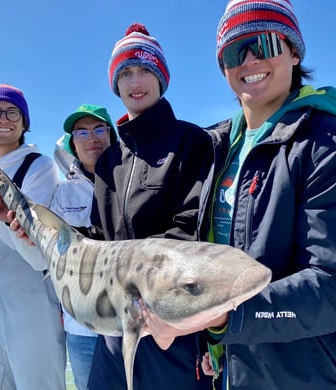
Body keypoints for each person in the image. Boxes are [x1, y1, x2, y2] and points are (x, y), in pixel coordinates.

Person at [141, 1, 336, 389]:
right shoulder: (218, 146)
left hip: (305, 375)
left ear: (293, 50)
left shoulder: (330, 144)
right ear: (223, 67)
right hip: (229, 370)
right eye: (236, 51)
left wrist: (226, 316)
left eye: (265, 43)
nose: (250, 60)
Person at [87, 23, 214, 390]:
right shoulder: (109, 159)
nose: (135, 80)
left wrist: (142, 290)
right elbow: (98, 238)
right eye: (125, 73)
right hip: (115, 330)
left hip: (171, 328)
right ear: (116, 84)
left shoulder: (192, 141)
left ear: (161, 78)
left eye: (144, 69)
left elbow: (191, 227)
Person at [0, 84, 66, 389]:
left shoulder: (38, 168)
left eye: (13, 112)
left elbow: (36, 254)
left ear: (24, 123)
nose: (3, 118)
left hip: (35, 316)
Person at [50, 104, 117, 390]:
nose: (92, 138)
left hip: (129, 322)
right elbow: (52, 251)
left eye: (100, 129)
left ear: (112, 135)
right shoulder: (62, 192)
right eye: (82, 132)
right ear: (72, 143)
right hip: (81, 328)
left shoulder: (132, 182)